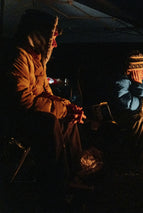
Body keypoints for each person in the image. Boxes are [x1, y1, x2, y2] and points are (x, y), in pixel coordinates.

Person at [0, 9, 86, 207]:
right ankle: (55, 187)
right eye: (51, 38)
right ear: (38, 36)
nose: (54, 44)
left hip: (31, 116)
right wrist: (62, 110)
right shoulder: (18, 58)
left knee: (68, 120)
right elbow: (24, 101)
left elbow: (45, 93)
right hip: (16, 120)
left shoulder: (36, 60)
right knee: (49, 122)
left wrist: (69, 107)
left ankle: (75, 175)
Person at [113, 50, 143, 150]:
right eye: (142, 69)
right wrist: (138, 86)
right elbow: (126, 103)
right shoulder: (122, 81)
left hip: (136, 113)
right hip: (123, 116)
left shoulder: (142, 82)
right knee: (140, 117)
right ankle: (137, 150)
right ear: (132, 70)